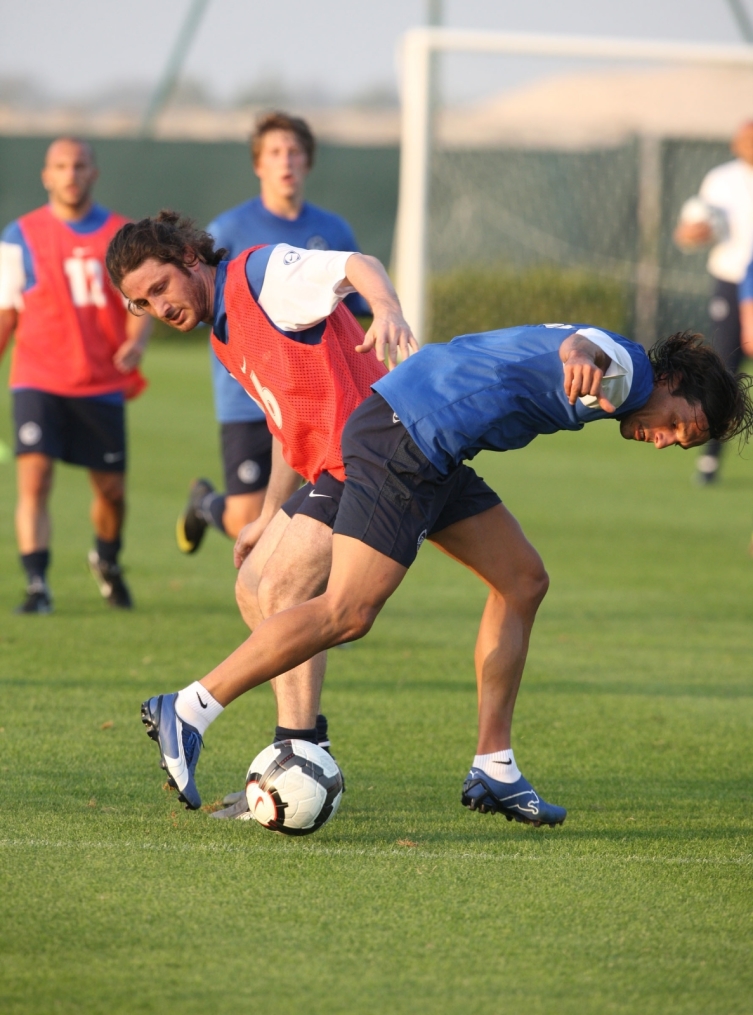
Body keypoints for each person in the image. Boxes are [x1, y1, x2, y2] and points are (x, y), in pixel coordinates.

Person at [117, 232, 752, 825]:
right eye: (681, 425)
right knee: (345, 611)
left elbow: (579, 344)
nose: (668, 440)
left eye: (682, 442)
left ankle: (493, 768)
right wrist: (582, 353)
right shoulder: (632, 373)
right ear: (673, 382)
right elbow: (587, 349)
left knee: (523, 580)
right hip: (408, 435)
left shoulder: (630, 370)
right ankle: (190, 708)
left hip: (435, 442)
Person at [105, 210, 415, 806]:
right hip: (336, 462)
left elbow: (359, 265)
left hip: (376, 456)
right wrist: (269, 514)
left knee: (283, 590)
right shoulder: (223, 332)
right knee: (253, 585)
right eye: (143, 303)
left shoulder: (261, 274)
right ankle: (308, 753)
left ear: (190, 259)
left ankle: (286, 749)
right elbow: (285, 423)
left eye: (160, 287)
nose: (159, 308)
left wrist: (389, 310)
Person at [178, 111, 371, 554]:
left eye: (294, 152)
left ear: (308, 162)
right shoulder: (228, 229)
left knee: (315, 516)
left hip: (316, 394)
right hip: (249, 395)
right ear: (258, 165)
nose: (285, 161)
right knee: (248, 518)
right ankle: (208, 504)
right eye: (275, 153)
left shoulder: (333, 229)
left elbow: (355, 310)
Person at [0, 137, 151, 614]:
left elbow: (141, 299)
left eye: (79, 165)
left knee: (111, 492)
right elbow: (6, 311)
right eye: (60, 166)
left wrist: (137, 339)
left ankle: (106, 560)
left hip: (100, 381)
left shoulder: (121, 233)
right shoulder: (19, 235)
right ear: (46, 175)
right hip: (37, 376)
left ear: (94, 174)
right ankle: (37, 585)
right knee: (35, 478)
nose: (70, 174)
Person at [674, 120, 753, 485]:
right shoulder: (720, 179)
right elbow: (690, 230)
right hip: (730, 279)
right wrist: (693, 233)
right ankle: (709, 457)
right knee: (725, 364)